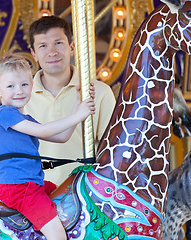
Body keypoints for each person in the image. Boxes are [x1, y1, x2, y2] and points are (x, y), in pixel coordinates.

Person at [0, 54, 95, 240]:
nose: (19, 91)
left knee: (67, 197)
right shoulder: (5, 115)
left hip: (33, 185)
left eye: (24, 84)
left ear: (31, 86)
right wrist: (78, 115)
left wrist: (77, 106)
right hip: (19, 188)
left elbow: (62, 137)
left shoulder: (25, 119)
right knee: (57, 235)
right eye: (10, 86)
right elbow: (45, 131)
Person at [25, 15, 116, 185]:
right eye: (43, 46)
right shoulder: (22, 96)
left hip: (85, 191)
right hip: (36, 191)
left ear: (72, 47)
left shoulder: (100, 92)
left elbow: (111, 149)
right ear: (34, 54)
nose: (52, 52)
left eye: (58, 43)